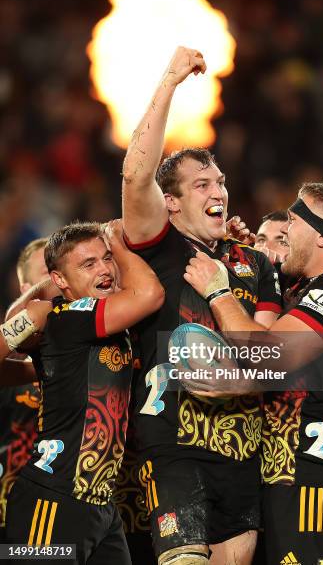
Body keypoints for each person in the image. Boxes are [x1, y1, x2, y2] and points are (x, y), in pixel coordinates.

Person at [121, 46, 282, 564]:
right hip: (174, 446)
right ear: (172, 202)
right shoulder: (160, 245)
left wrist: (220, 293)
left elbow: (270, 358)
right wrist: (169, 80)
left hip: (241, 447)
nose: (220, 192)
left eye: (221, 183)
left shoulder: (254, 264)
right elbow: (134, 177)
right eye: (202, 185)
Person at [184, 180, 323, 563]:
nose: (285, 233)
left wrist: (219, 291)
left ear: (322, 236)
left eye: (292, 223)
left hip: (314, 481)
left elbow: (268, 354)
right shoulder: (317, 289)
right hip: (294, 479)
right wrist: (247, 258)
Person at [5, 220, 164, 565]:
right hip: (54, 498)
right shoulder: (74, 316)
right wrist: (118, 242)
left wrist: (41, 369)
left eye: (107, 258)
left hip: (101, 505)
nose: (105, 269)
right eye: (88, 264)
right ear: (60, 280)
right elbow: (151, 294)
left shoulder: (77, 323)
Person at [0, 238, 48, 539]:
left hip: (103, 512)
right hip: (15, 514)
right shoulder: (10, 358)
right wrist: (36, 370)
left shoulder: (106, 334)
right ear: (27, 290)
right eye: (48, 271)